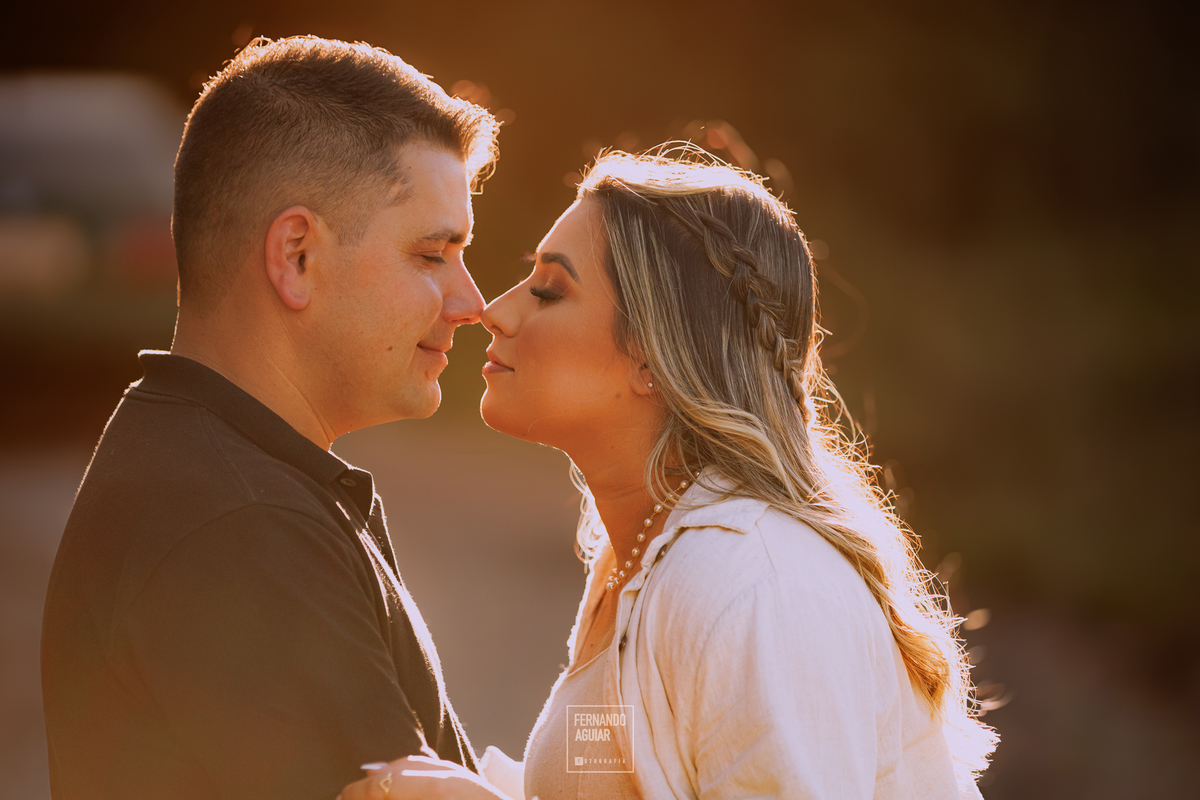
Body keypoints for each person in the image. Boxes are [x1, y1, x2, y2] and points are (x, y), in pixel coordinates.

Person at [342, 145, 997, 799]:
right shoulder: (642, 563)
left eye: (548, 290)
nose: (495, 311)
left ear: (652, 355)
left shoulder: (749, 585)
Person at [41, 36, 498, 800]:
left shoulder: (224, 477)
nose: (470, 302)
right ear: (296, 256)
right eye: (432, 254)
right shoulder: (240, 523)